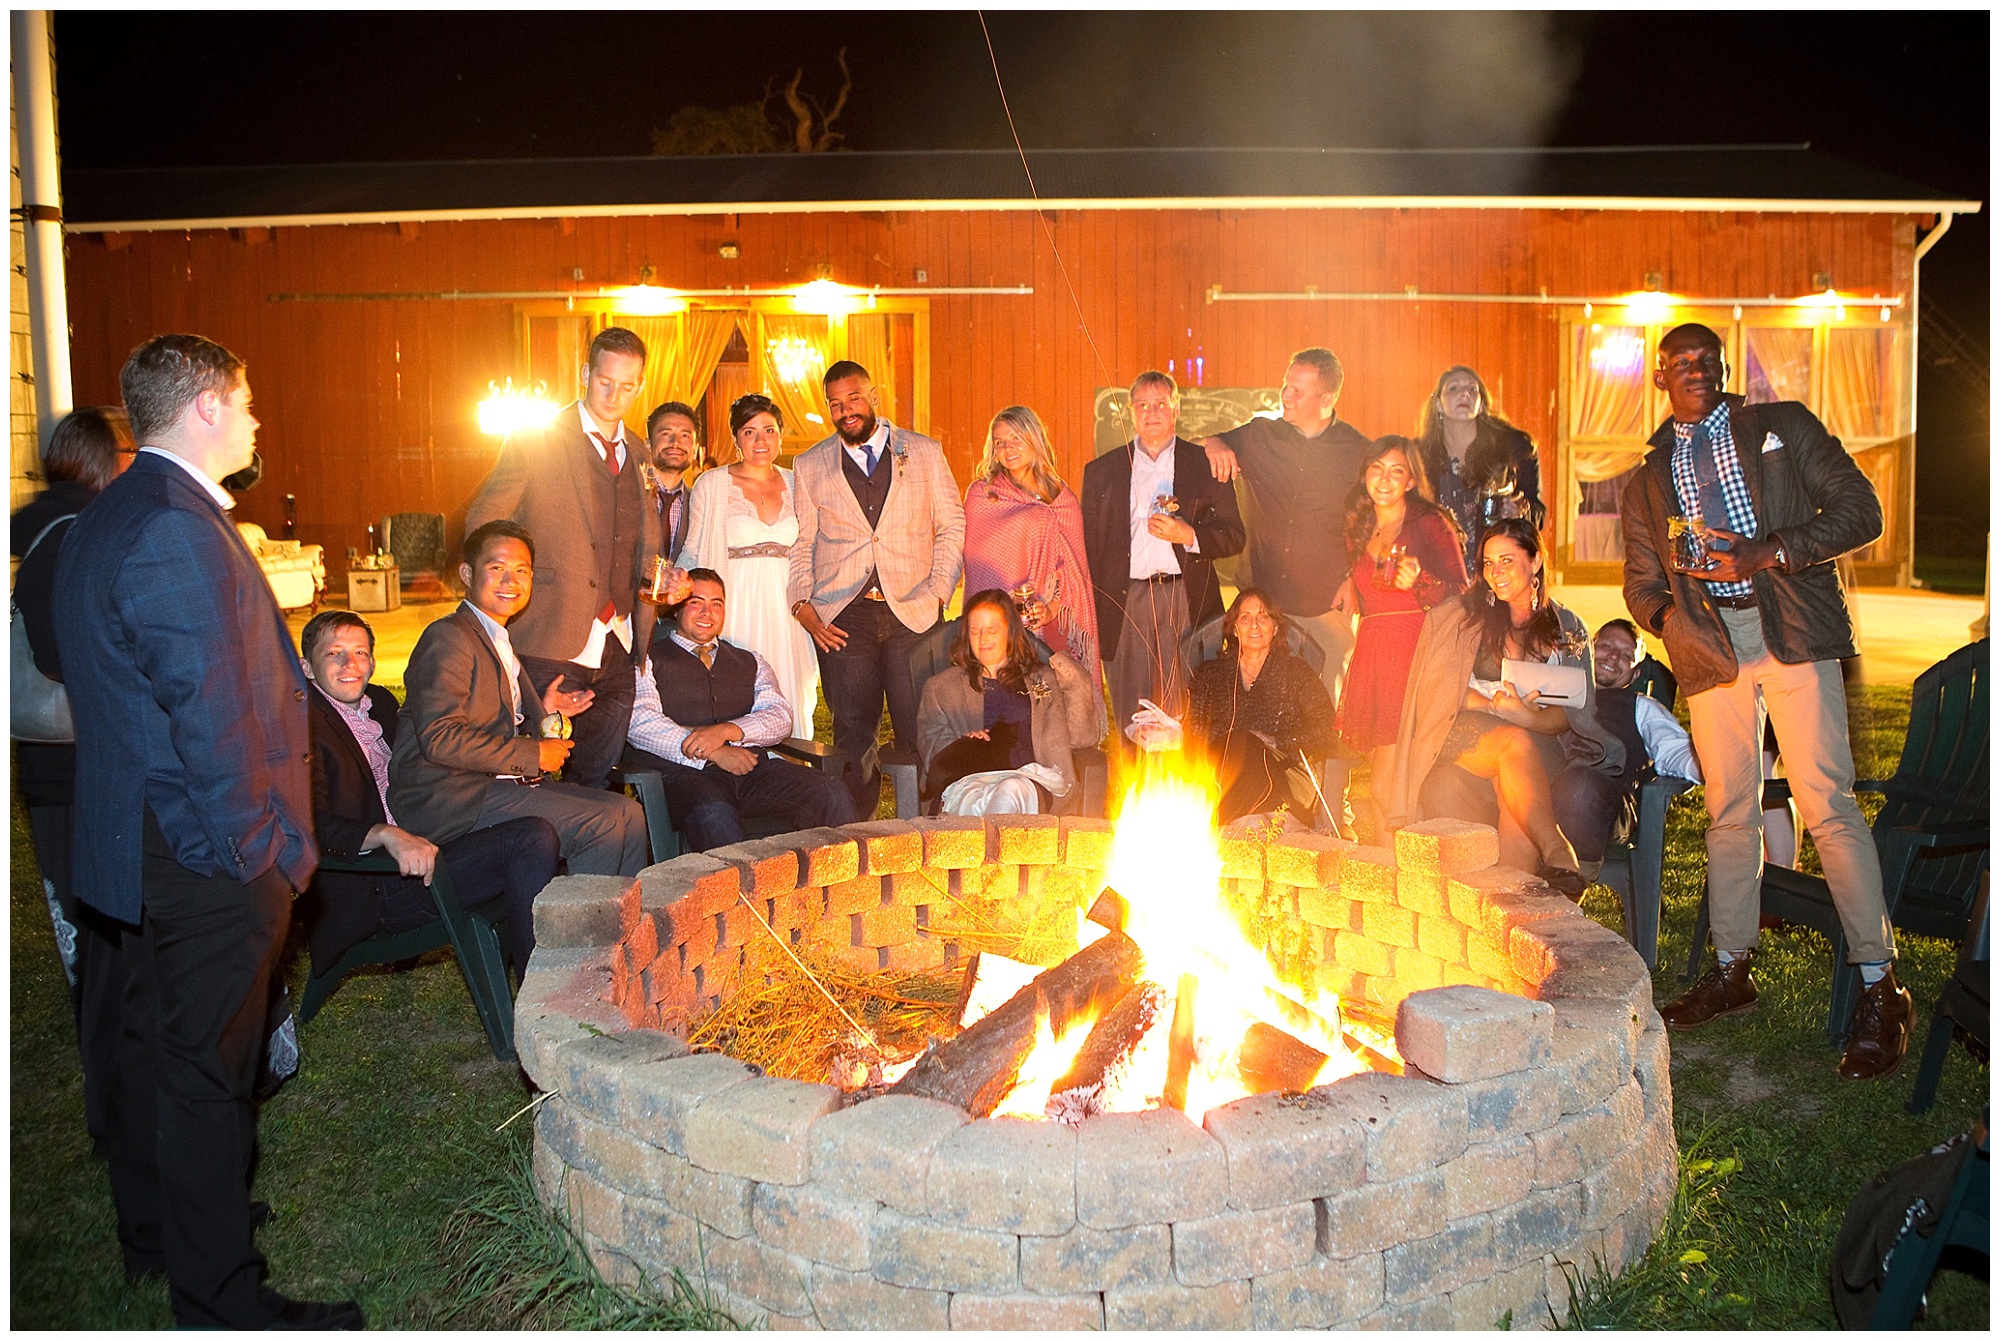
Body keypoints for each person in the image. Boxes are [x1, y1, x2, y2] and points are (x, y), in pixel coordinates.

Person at [51, 334, 361, 1327]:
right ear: (210, 406)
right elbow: (213, 717)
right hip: (202, 855)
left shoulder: (113, 513)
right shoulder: (175, 527)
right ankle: (223, 1300)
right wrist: (257, 856)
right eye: (252, 401)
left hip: (132, 845)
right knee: (202, 1074)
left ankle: (166, 1229)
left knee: (150, 1051)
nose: (259, 420)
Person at [1621, 321, 1905, 1080]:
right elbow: (1641, 581)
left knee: (1826, 800)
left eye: (1707, 359)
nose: (1696, 370)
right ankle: (1730, 968)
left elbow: (1861, 509)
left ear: (1721, 367)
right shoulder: (1648, 477)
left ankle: (1881, 985)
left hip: (1793, 631)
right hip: (1713, 650)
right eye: (1680, 362)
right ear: (1660, 376)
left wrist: (1770, 548)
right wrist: (1670, 625)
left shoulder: (1780, 425)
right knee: (1729, 808)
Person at [300, 609, 559, 982]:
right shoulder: (302, 729)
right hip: (380, 883)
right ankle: (542, 993)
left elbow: (438, 758)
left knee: (531, 824)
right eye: (334, 653)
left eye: (359, 652)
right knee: (530, 839)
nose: (349, 663)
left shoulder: (381, 705)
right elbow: (309, 824)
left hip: (429, 845)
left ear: (373, 661)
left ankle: (542, 976)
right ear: (307, 667)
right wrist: (386, 834)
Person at [389, 521, 649, 877]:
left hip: (493, 788)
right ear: (467, 573)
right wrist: (534, 754)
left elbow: (492, 716)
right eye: (497, 568)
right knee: (601, 823)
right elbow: (440, 738)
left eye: (521, 571)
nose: (510, 582)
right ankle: (582, 931)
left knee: (629, 814)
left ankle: (627, 930)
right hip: (453, 799)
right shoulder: (448, 637)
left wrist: (546, 711)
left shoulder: (497, 637)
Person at [466, 326, 664, 791]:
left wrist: (660, 580)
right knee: (530, 775)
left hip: (617, 643)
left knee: (593, 778)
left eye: (628, 386)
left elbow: (640, 541)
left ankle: (585, 859)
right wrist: (506, 591)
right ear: (585, 374)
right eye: (605, 382)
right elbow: (484, 521)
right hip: (547, 635)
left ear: (640, 386)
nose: (615, 395)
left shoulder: (639, 450)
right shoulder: (537, 438)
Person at [12, 407, 133, 1160]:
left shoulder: (42, 528)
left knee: (104, 943)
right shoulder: (66, 537)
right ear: (103, 459)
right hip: (73, 771)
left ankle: (120, 1100)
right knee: (100, 949)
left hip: (66, 769)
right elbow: (60, 653)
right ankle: (114, 1112)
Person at [1202, 347, 1374, 826]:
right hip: (1262, 601)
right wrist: (1215, 442)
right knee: (1255, 705)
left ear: (1328, 397)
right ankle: (1258, 799)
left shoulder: (1358, 452)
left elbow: (1375, 520)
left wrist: (1354, 576)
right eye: (1285, 386)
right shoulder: (1260, 434)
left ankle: (1326, 811)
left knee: (1327, 714)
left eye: (1298, 391)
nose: (1286, 397)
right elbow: (1207, 443)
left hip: (1324, 601)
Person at [788, 359, 965, 818]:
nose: (845, 410)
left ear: (874, 397)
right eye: (834, 404)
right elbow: (803, 540)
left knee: (921, 729)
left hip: (915, 613)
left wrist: (938, 593)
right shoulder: (809, 464)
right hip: (844, 618)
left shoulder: (924, 451)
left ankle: (931, 833)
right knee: (852, 736)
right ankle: (854, 842)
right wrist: (803, 605)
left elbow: (951, 524)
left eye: (853, 398)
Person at [1381, 519, 1590, 894]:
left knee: (1516, 784)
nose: (1497, 573)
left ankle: (1508, 901)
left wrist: (1527, 716)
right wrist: (1496, 708)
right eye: (1489, 563)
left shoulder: (1566, 626)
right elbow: (1441, 691)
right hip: (1463, 731)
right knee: (1513, 744)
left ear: (1536, 561)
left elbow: (1572, 710)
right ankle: (1557, 849)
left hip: (1537, 738)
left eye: (1507, 560)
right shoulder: (1463, 617)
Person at [624, 569, 854, 850]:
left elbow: (780, 715)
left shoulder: (750, 660)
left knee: (831, 793)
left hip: (753, 773)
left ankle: (837, 889)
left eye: (716, 604)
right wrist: (712, 751)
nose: (707, 612)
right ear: (676, 608)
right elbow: (642, 724)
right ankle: (740, 895)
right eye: (696, 602)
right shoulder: (646, 661)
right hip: (685, 779)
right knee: (715, 815)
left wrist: (727, 731)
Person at [1083, 369, 1245, 756]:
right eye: (1142, 405)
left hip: (1184, 598)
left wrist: (1188, 536)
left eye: (1160, 404)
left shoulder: (1204, 463)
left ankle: (1182, 794)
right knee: (1131, 708)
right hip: (1128, 603)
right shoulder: (1102, 471)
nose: (1151, 412)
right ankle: (1130, 797)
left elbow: (1234, 535)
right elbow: (1090, 548)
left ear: (1176, 409)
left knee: (1184, 705)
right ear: (1131, 412)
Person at [1334, 434, 1469, 825]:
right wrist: (1349, 581)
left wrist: (1421, 581)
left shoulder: (1429, 523)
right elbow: (1365, 579)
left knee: (1387, 787)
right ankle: (1404, 865)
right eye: (1376, 469)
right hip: (1373, 649)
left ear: (1411, 480)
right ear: (1364, 475)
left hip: (1412, 649)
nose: (1385, 479)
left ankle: (1406, 869)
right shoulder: (1358, 524)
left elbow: (1462, 589)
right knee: (1387, 781)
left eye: (1397, 471)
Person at [675, 393, 821, 739]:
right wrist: (682, 593)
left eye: (769, 430)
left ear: (780, 435)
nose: (761, 440)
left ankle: (789, 773)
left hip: (788, 606)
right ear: (736, 438)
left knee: (791, 688)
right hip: (738, 602)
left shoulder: (799, 482)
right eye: (750, 431)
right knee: (739, 686)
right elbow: (694, 550)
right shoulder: (713, 484)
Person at [916, 588, 1103, 815]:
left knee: (1011, 789)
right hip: (968, 783)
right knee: (986, 802)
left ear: (1010, 632)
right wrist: (962, 745)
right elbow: (930, 741)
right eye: (975, 631)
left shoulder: (1041, 681)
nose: (982, 639)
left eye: (992, 630)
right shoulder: (941, 688)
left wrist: (1066, 669)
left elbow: (1084, 736)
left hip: (1030, 782)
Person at [1550, 618, 1703, 881]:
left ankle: (1567, 888)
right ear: (1586, 650)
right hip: (1544, 795)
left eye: (1625, 655)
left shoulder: (1642, 708)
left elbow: (1673, 749)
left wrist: (1712, 766)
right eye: (1606, 645)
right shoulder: (1556, 691)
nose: (1612, 655)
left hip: (1607, 806)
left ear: (1634, 675)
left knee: (1580, 788)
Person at [961, 405, 1102, 686]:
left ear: (1034, 438)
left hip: (1049, 624)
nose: (1007, 448)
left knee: (1051, 709)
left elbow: (1074, 575)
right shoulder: (983, 495)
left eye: (1016, 438)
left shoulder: (1062, 500)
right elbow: (976, 561)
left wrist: (1050, 609)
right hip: (996, 623)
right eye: (999, 442)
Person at [1183, 588, 1338, 826]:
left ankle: (1233, 831)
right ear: (1234, 628)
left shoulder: (1296, 673)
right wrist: (1241, 740)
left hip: (1286, 772)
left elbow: (1326, 730)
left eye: (1263, 617)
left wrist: (1277, 742)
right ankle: (1267, 826)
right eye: (1245, 618)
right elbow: (1194, 732)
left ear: (1275, 628)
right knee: (1241, 745)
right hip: (1221, 774)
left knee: (1244, 746)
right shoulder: (1210, 675)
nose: (1254, 625)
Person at [1413, 365, 1547, 575]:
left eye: (1472, 390)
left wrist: (1521, 512)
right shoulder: (1418, 455)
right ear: (1438, 404)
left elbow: (1538, 514)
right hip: (1438, 569)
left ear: (1482, 405)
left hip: (1496, 568)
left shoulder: (1514, 449)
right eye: (1454, 388)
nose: (1464, 393)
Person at [645, 398, 702, 563]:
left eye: (685, 436)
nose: (675, 442)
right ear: (648, 445)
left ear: (695, 449)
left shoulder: (699, 504)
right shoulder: (629, 496)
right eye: (666, 434)